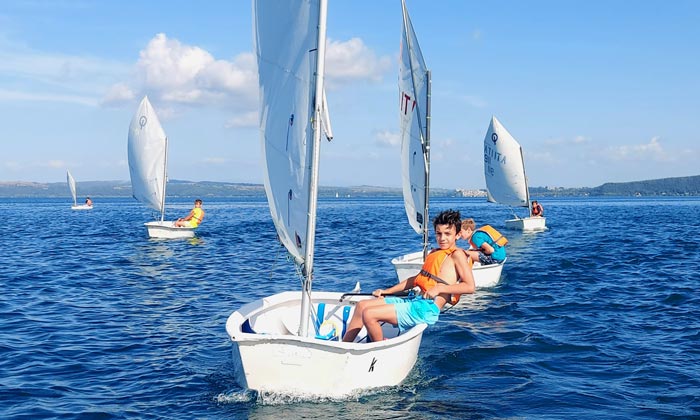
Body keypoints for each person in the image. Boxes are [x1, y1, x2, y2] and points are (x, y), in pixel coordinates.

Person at [342, 209, 475, 343]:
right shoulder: (435, 253)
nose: (442, 238)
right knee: (362, 306)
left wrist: (439, 289)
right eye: (438, 234)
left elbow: (470, 287)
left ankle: (379, 351)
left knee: (369, 314)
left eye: (447, 234)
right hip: (414, 301)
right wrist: (387, 291)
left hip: (426, 308)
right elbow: (415, 280)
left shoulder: (456, 255)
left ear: (457, 235)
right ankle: (345, 346)